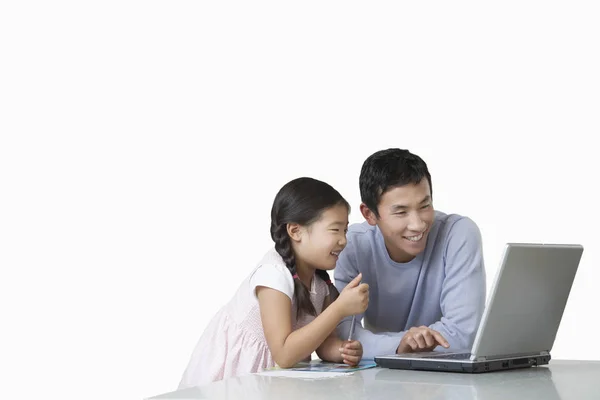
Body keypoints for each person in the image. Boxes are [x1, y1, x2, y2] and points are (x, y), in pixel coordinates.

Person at [178, 177, 370, 388]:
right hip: (234, 378)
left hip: (274, 381)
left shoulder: (320, 284)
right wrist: (339, 310)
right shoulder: (274, 275)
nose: (343, 240)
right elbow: (284, 354)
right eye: (335, 230)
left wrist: (341, 350)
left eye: (345, 230)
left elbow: (322, 343)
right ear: (295, 231)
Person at [334, 148, 487, 360]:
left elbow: (463, 335)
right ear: (369, 214)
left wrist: (387, 347)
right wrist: (401, 345)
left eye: (425, 206)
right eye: (401, 212)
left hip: (448, 380)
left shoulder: (458, 233)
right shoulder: (352, 245)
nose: (417, 225)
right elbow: (344, 335)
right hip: (379, 379)